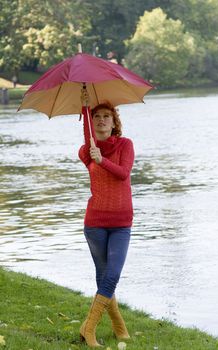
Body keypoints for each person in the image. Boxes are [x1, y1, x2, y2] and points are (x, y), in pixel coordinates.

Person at [78, 89, 134, 348]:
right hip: (95, 223)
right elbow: (89, 140)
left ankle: (88, 329)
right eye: (97, 116)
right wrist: (84, 108)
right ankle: (119, 326)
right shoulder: (86, 151)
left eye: (106, 116)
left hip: (122, 223)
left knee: (112, 274)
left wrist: (103, 161)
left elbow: (123, 174)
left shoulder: (125, 145)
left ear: (114, 122)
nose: (101, 120)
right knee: (103, 276)